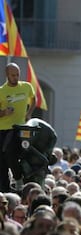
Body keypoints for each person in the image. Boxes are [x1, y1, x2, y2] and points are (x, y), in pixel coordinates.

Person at [0, 62, 36, 192]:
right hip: (3, 129)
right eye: (13, 75)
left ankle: (18, 178)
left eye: (17, 75)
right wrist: (4, 112)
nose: (15, 77)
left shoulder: (26, 86)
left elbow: (34, 99)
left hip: (19, 128)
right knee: (2, 161)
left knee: (10, 153)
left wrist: (29, 113)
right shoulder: (2, 91)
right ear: (7, 75)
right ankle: (4, 188)